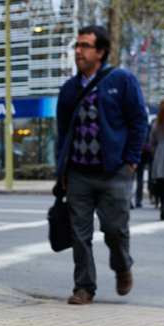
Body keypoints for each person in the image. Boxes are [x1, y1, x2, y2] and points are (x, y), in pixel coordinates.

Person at [54, 25, 147, 306]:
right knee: (79, 234)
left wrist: (130, 162)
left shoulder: (123, 80)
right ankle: (84, 288)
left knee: (115, 229)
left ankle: (122, 267)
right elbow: (62, 131)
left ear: (101, 51)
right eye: (76, 46)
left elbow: (138, 123)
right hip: (78, 173)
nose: (78, 51)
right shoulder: (69, 88)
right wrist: (62, 171)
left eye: (84, 46)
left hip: (114, 172)